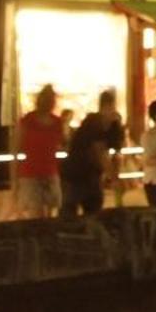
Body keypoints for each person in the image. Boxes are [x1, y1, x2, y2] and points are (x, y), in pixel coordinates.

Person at [60, 89, 124, 219]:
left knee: (94, 209)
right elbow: (100, 151)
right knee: (70, 212)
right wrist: (113, 177)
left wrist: (115, 174)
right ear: (105, 106)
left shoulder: (113, 125)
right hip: (75, 173)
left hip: (92, 174)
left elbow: (116, 153)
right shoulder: (93, 122)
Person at [7, 85, 66, 219]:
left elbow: (15, 151)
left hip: (45, 172)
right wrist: (14, 182)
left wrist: (14, 182)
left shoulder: (55, 123)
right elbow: (15, 151)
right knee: (38, 215)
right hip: (34, 174)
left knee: (46, 215)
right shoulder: (29, 122)